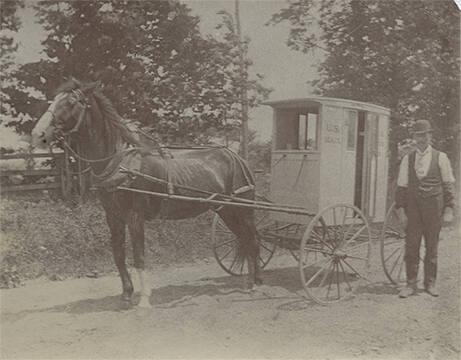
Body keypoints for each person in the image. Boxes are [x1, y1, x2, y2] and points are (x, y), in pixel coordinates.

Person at [395, 119, 455, 298]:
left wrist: (449, 209)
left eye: (424, 135)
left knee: (432, 247)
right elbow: (401, 187)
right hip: (413, 209)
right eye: (417, 136)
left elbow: (448, 184)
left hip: (434, 210)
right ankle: (411, 284)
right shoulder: (408, 158)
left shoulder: (441, 157)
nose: (421, 139)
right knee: (411, 246)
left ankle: (430, 283)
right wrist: (400, 210)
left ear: (430, 136)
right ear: (414, 138)